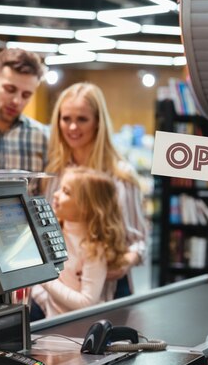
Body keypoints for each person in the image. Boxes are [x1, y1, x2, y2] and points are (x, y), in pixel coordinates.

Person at [42, 82, 147, 297]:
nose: (72, 127)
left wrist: (125, 262)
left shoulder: (121, 176)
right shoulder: (55, 172)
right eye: (66, 119)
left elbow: (139, 240)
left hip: (110, 288)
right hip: (62, 288)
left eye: (82, 119)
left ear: (98, 122)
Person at [31, 167, 128, 317]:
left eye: (66, 192)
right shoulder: (54, 233)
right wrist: (45, 302)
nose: (56, 195)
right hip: (53, 327)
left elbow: (86, 302)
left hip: (80, 332)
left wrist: (44, 279)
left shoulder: (93, 248)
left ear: (87, 207)